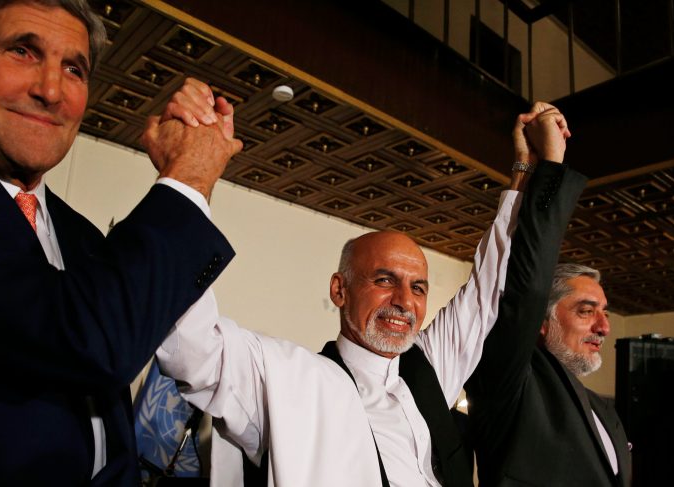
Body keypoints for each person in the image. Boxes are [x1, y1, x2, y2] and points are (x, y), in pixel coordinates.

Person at [156, 80, 587, 486]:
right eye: (385, 280)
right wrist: (188, 178)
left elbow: (491, 285)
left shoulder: (429, 368)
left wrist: (525, 171)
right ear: (339, 290)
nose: (404, 301)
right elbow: (190, 349)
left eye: (418, 287)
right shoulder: (287, 380)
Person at [0, 1, 240, 484]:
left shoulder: (82, 235)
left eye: (74, 68)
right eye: (23, 51)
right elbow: (89, 341)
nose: (51, 90)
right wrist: (188, 177)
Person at [465, 262, 632, 486]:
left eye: (605, 313)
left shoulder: (604, 410)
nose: (604, 327)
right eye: (586, 311)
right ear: (541, 320)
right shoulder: (513, 385)